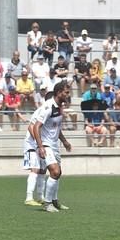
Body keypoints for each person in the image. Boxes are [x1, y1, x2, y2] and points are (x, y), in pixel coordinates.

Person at [30, 81, 73, 212]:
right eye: (66, 92)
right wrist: (40, 146)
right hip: (46, 144)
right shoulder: (48, 107)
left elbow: (56, 127)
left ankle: (54, 201)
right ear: (59, 92)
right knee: (55, 171)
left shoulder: (60, 106)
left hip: (54, 145)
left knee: (58, 173)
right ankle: (47, 203)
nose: (68, 94)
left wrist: (64, 141)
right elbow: (36, 126)